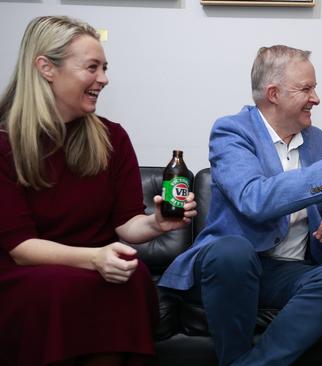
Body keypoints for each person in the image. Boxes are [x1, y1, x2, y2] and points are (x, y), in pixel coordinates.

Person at [158, 45, 322, 365]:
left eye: (315, 87)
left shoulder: (318, 141)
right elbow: (254, 199)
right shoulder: (232, 132)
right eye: (306, 88)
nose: (316, 98)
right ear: (274, 93)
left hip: (285, 272)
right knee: (233, 252)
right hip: (231, 267)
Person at [0, 16, 197, 366]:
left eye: (104, 68)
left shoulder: (112, 137)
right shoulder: (5, 144)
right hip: (27, 271)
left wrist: (155, 224)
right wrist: (93, 259)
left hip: (97, 263)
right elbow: (21, 249)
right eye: (92, 67)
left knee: (133, 277)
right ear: (46, 67)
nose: (103, 79)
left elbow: (125, 224)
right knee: (57, 289)